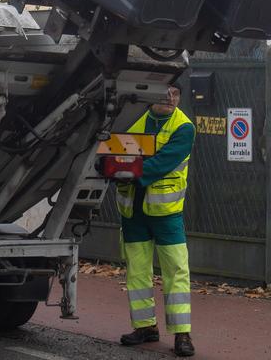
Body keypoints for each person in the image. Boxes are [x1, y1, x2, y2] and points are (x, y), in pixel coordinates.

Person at [116, 81, 196, 357]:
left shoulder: (184, 127)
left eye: (176, 93)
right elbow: (113, 150)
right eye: (166, 92)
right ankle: (145, 327)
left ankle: (182, 334)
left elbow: (164, 162)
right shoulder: (133, 118)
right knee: (137, 271)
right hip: (132, 210)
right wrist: (111, 165)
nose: (170, 98)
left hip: (166, 213)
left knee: (176, 271)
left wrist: (125, 171)